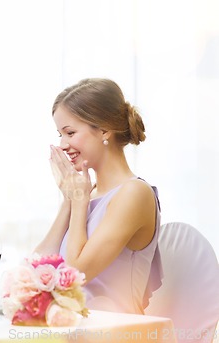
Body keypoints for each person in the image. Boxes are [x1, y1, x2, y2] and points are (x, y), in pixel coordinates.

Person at [35, 78, 161, 314]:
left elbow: (75, 275)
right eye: (59, 135)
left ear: (104, 129)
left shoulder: (134, 193)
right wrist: (69, 201)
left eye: (70, 132)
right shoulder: (85, 193)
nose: (62, 145)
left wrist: (79, 203)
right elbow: (36, 268)